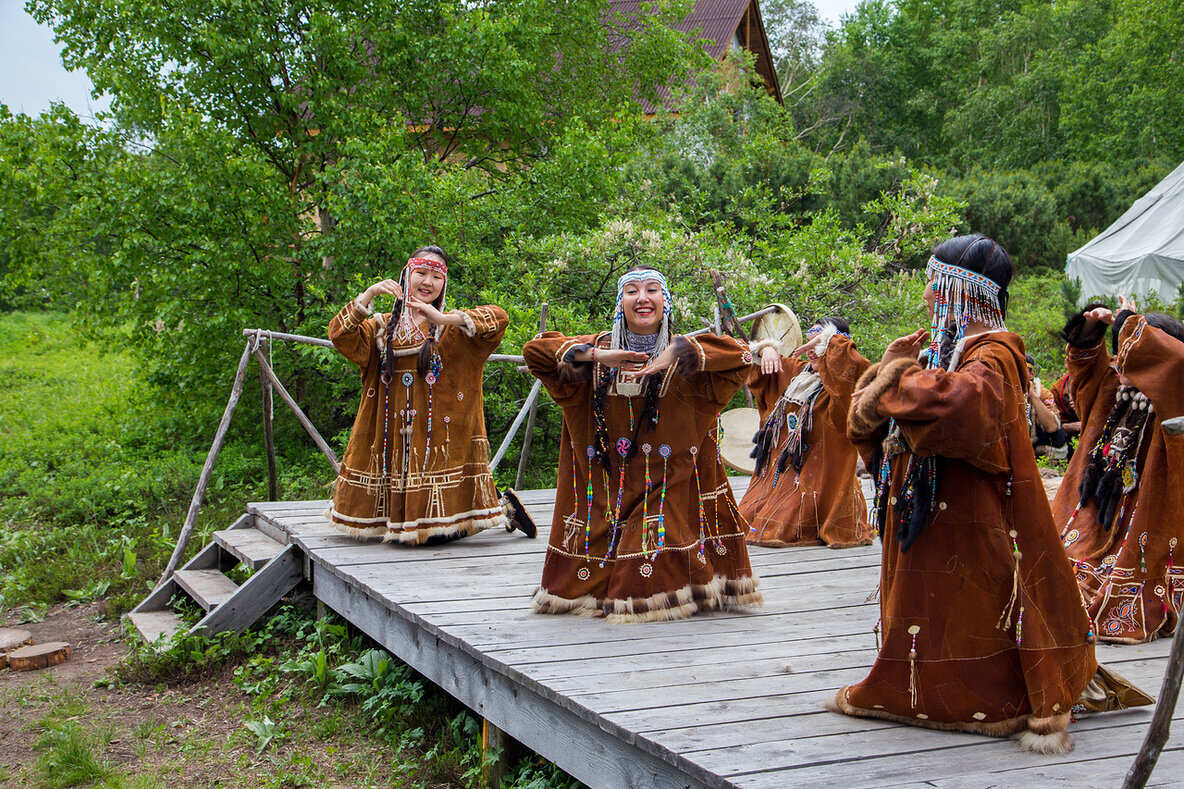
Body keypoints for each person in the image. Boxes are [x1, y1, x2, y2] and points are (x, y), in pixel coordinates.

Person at [831, 234, 1098, 753]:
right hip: (935, 510)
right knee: (939, 602)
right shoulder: (951, 350)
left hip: (971, 509)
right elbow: (877, 419)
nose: (928, 296)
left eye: (934, 283)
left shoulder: (993, 353)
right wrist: (890, 366)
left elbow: (960, 407)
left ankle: (978, 698)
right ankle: (934, 690)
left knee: (975, 599)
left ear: (961, 289)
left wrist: (896, 376)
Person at [522, 266, 762, 622]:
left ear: (665, 302)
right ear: (621, 303)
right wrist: (599, 357)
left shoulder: (688, 359)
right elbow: (536, 351)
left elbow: (741, 354)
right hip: (604, 486)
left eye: (653, 290)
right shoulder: (598, 349)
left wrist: (678, 351)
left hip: (665, 487)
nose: (643, 298)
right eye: (632, 291)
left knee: (642, 576)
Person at [326, 246, 534, 544]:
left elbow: (499, 319)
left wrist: (443, 318)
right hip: (393, 433)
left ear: (444, 284)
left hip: (441, 437)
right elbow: (339, 335)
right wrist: (368, 296)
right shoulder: (382, 327)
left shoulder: (453, 327)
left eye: (436, 276)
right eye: (421, 273)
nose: (428, 282)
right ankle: (501, 507)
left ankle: (501, 507)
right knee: (401, 535)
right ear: (406, 275)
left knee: (433, 536)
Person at [1055, 296, 1184, 643]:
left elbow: (1178, 359)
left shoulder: (1175, 399)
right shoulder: (1112, 389)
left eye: (1133, 357)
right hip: (1096, 523)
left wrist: (1129, 320)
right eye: (1120, 355)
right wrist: (1091, 330)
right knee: (1049, 574)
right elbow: (1083, 370)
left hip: (1146, 531)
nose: (1121, 365)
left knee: (1108, 590)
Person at [740, 317, 873, 548]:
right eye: (809, 343)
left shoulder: (842, 385)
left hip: (820, 477)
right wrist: (768, 349)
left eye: (818, 346)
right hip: (782, 475)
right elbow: (759, 365)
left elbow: (855, 367)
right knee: (743, 516)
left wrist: (831, 341)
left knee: (781, 524)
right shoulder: (796, 372)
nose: (811, 351)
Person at [1025, 354, 1071, 460]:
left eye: (1022, 372)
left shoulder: (1044, 393)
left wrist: (1034, 397)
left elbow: (1052, 427)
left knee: (1058, 435)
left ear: (1031, 374)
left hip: (1040, 443)